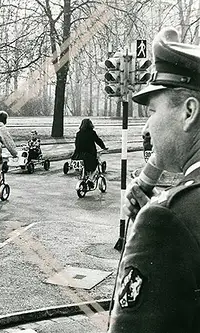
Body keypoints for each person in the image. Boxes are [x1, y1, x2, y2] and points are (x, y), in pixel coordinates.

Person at [110, 27, 200, 332]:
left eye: (152, 110)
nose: (147, 126)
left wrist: (149, 224)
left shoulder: (165, 221)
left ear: (189, 112)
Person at [71, 118, 107, 188]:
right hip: (89, 155)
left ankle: (84, 177)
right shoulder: (92, 132)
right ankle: (90, 179)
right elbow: (98, 140)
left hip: (79, 155)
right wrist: (103, 147)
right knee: (95, 165)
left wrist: (75, 154)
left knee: (84, 167)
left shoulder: (78, 134)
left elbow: (77, 145)